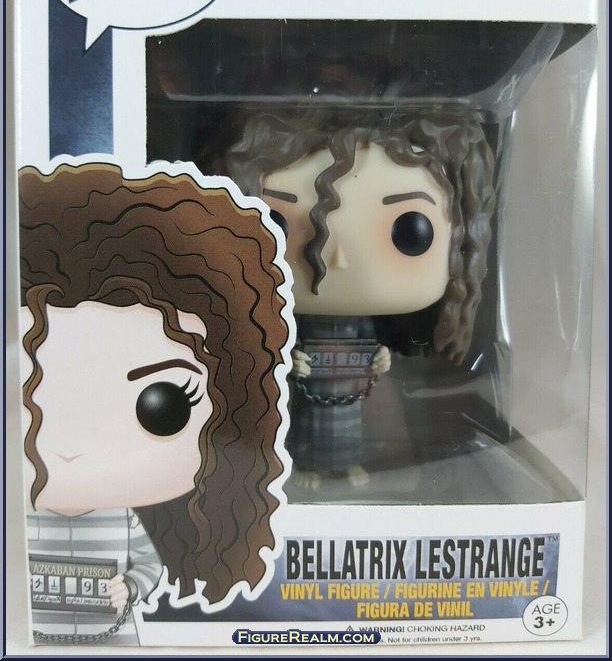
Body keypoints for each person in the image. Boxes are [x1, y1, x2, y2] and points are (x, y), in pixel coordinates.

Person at [19, 162, 291, 643]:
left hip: (113, 640)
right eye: (19, 399)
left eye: (162, 407)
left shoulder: (124, 519)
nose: (69, 447)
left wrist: (131, 587)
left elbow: (148, 565)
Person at [226, 106, 495, 487]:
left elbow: (373, 349)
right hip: (308, 390)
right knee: (310, 420)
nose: (338, 259)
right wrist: (288, 361)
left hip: (353, 393)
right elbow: (276, 353)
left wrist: (380, 358)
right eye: (277, 225)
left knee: (351, 423)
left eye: (410, 230)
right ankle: (309, 464)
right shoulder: (289, 323)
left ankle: (350, 462)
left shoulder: (366, 325)